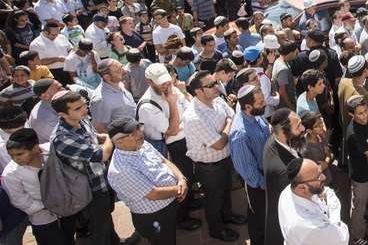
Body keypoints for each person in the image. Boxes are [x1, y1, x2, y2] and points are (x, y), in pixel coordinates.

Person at [50, 91, 122, 245]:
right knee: (99, 228)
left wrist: (103, 139)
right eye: (78, 108)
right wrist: (109, 137)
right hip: (89, 189)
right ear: (63, 114)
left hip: (101, 180)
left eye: (84, 104)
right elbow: (101, 154)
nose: (84, 109)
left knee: (105, 220)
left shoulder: (80, 120)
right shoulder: (62, 137)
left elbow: (95, 137)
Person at [182, 71, 245, 242]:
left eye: (215, 82)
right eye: (211, 85)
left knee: (225, 191)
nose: (217, 87)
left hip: (224, 159)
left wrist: (226, 125)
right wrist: (228, 125)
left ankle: (228, 216)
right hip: (209, 167)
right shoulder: (193, 117)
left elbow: (232, 115)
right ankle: (216, 230)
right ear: (198, 91)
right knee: (213, 199)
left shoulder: (216, 100)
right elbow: (219, 143)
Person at [106, 117, 189, 245]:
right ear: (119, 142)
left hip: (169, 203)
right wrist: (180, 189)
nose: (139, 133)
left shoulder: (142, 144)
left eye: (138, 128)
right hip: (155, 215)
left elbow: (164, 161)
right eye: (132, 133)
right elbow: (153, 194)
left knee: (169, 234)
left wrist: (181, 179)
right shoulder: (121, 170)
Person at [4, 128, 73, 245]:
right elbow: (19, 200)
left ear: (35, 148)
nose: (16, 159)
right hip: (43, 221)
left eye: (20, 154)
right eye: (12, 156)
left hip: (67, 212)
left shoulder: (52, 151)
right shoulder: (10, 174)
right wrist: (46, 205)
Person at [229, 84, 271, 245]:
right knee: (261, 217)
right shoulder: (240, 134)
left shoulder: (256, 114)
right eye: (261, 103)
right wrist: (264, 184)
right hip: (258, 184)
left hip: (265, 175)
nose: (264, 105)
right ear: (247, 106)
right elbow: (247, 171)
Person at [278, 158, 349, 245]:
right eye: (318, 176)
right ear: (302, 188)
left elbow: (327, 191)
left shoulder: (289, 190)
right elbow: (342, 239)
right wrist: (335, 222)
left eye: (320, 172)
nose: (324, 177)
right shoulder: (307, 227)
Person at [263, 108, 306, 244]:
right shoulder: (284, 171)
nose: (303, 128)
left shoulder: (276, 139)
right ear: (283, 131)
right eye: (298, 125)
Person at [345, 95, 368, 245]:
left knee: (361, 202)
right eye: (360, 113)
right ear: (351, 115)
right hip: (360, 176)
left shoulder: (364, 122)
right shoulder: (354, 133)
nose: (364, 115)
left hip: (366, 170)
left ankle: (360, 219)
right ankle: (357, 235)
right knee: (358, 206)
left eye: (366, 111)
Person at [90, 59, 136, 134]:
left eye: (122, 67)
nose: (124, 71)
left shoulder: (119, 83)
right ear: (107, 77)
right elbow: (99, 128)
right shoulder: (100, 100)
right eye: (118, 70)